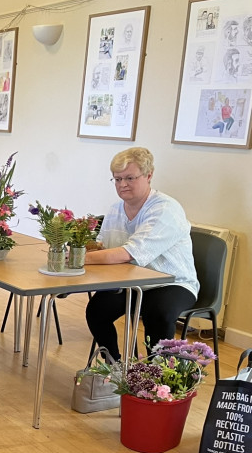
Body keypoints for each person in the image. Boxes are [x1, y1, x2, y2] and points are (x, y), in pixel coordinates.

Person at [84, 147, 198, 360]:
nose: (122, 185)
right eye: (117, 179)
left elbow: (128, 253)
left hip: (171, 282)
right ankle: (114, 365)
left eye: (129, 178)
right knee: (97, 310)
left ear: (148, 176)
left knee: (158, 314)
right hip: (131, 281)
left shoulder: (165, 209)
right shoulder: (116, 208)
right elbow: (105, 248)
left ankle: (158, 379)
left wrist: (80, 259)